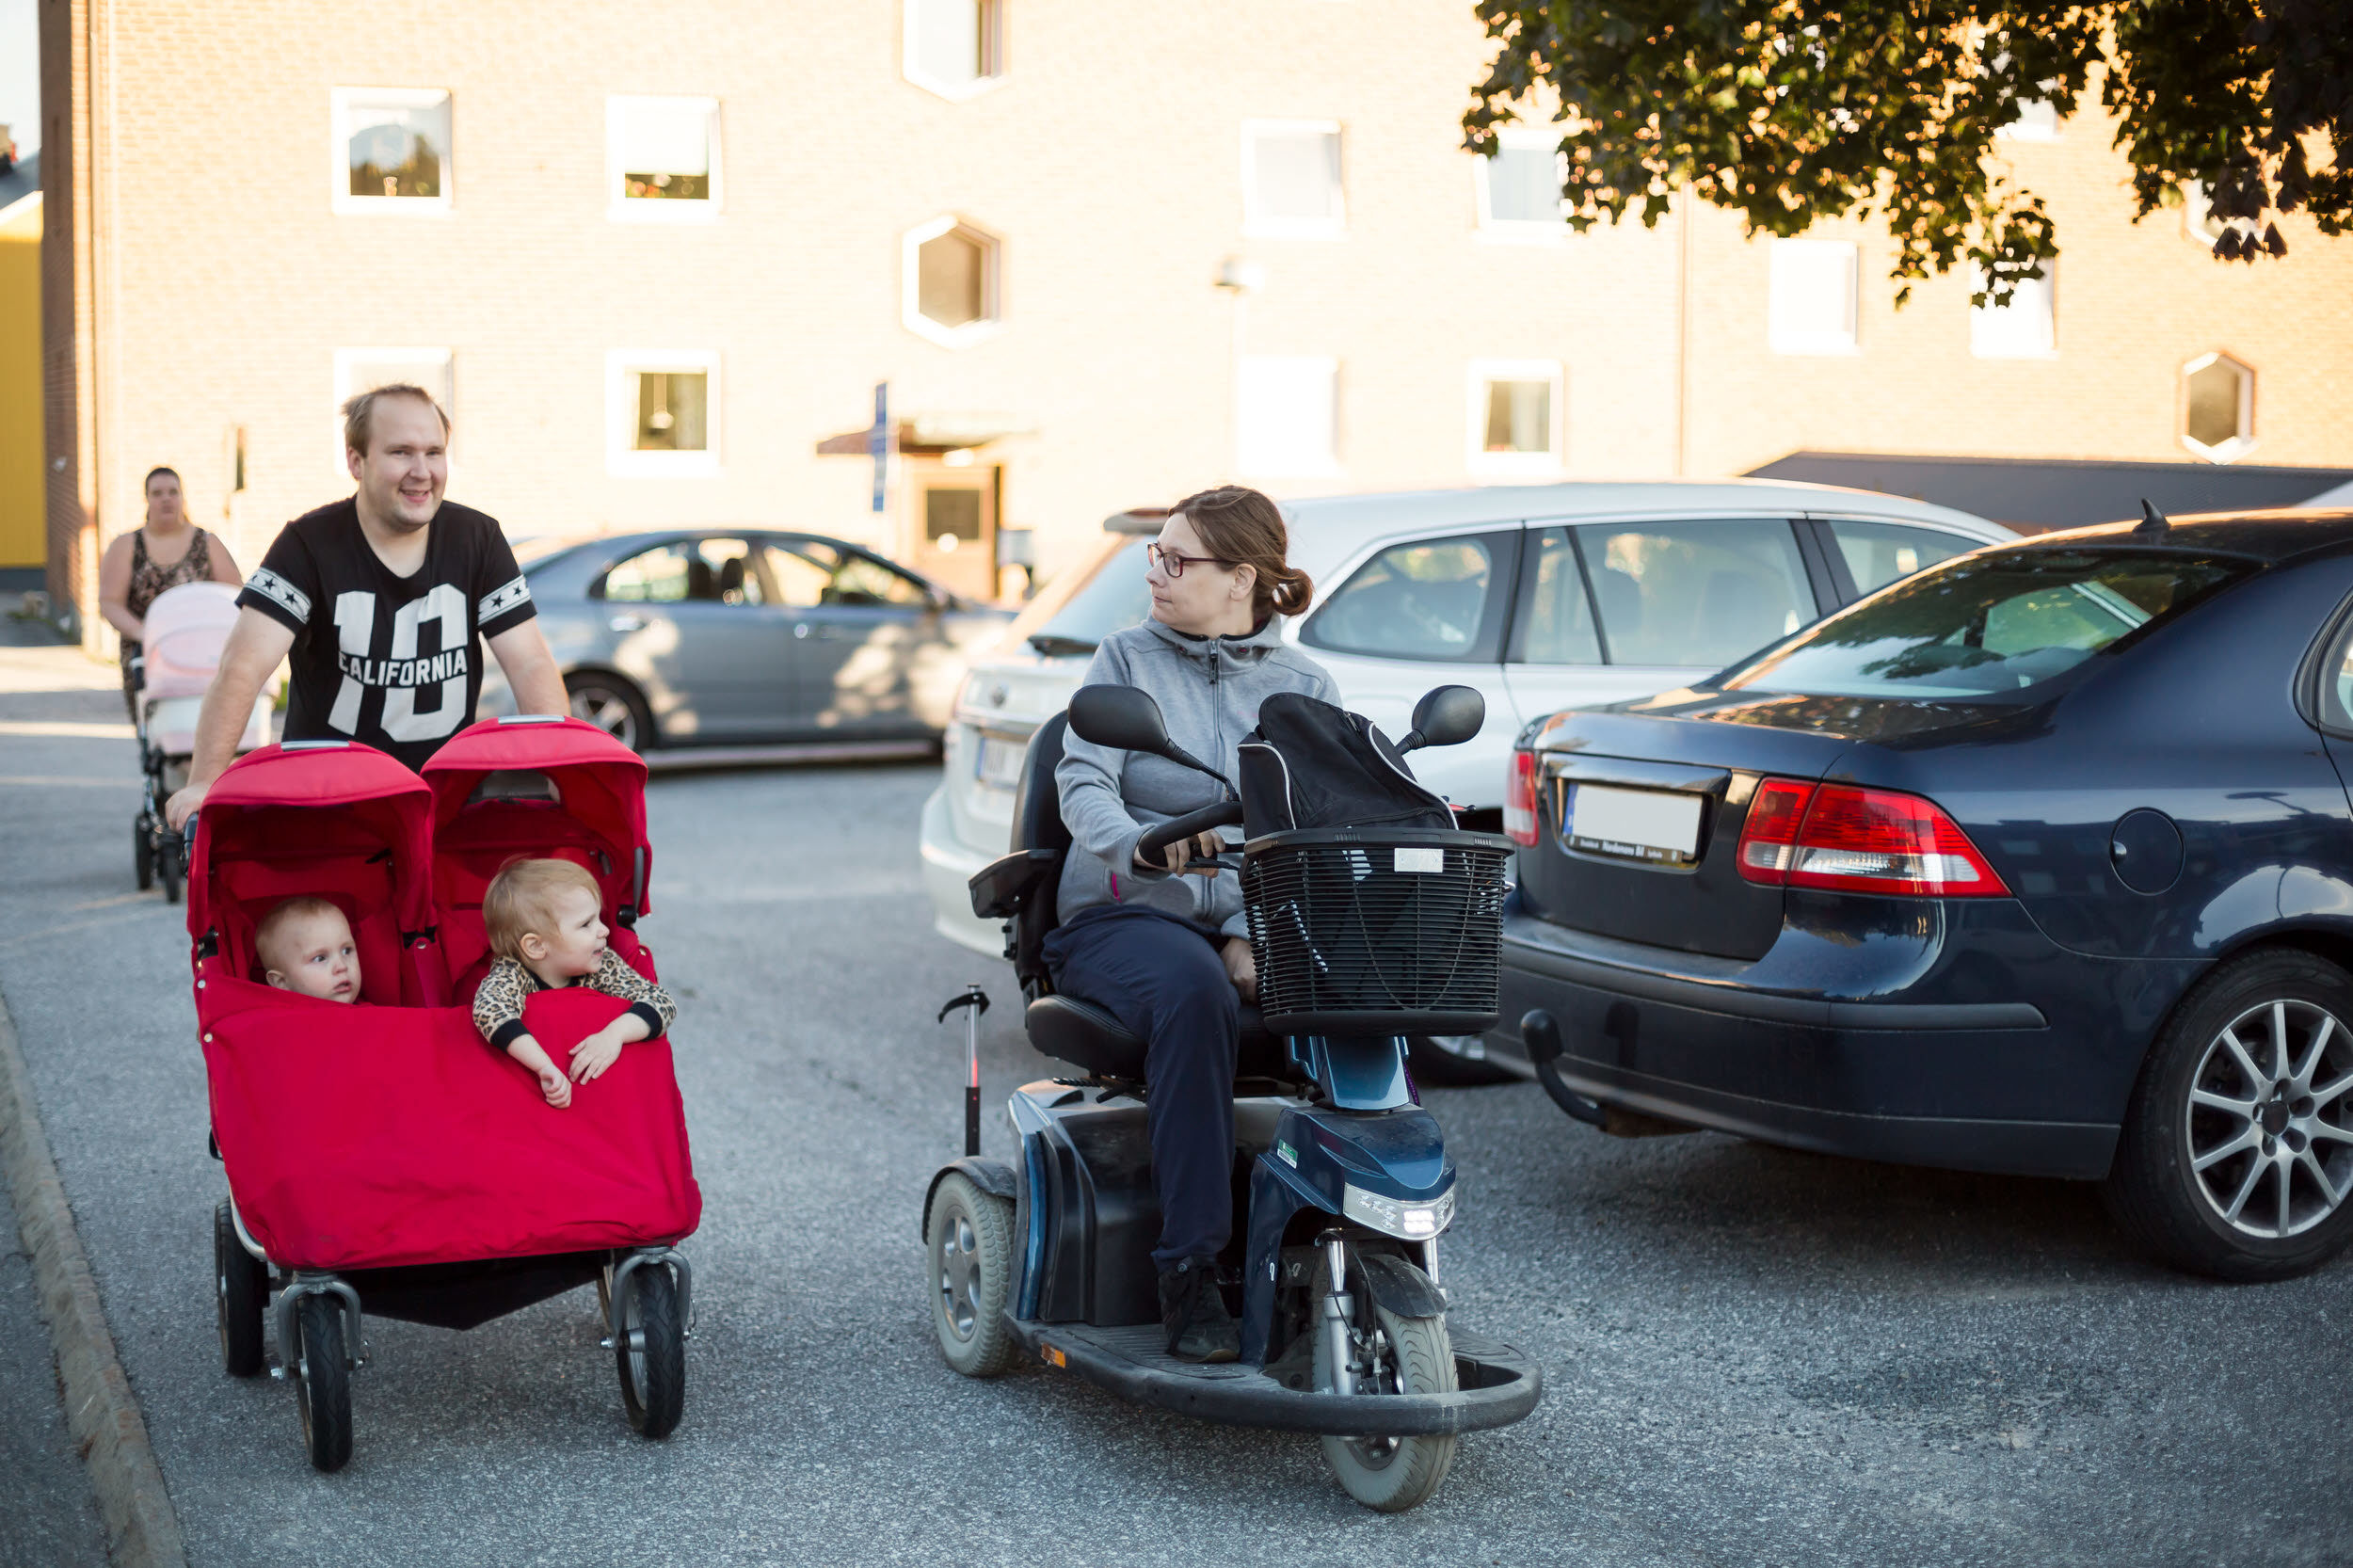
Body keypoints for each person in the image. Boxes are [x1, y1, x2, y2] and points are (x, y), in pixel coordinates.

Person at [1046, 485, 1334, 1364]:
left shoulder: (1305, 687)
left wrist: (1250, 927)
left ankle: (1356, 1234)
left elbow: (1310, 827)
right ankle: (1191, 1268)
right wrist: (1139, 845)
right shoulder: (1125, 659)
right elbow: (1082, 782)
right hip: (1123, 911)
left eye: (1177, 560)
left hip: (1249, 914)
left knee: (1359, 986)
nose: (1156, 574)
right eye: (1156, 555)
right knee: (1197, 993)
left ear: (1241, 578)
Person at [164, 385, 567, 828]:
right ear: (356, 461)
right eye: (400, 452)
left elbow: (530, 662)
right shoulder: (306, 545)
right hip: (327, 807)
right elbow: (243, 667)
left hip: (440, 805)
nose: (422, 471)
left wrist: (565, 773)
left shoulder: (479, 539)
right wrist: (205, 780)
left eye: (434, 452)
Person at [472, 857, 677, 1109]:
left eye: (599, 918)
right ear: (536, 946)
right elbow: (489, 1011)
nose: (605, 931)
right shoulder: (512, 974)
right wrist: (542, 1066)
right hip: (535, 1093)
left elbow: (661, 1002)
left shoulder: (603, 965)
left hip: (601, 1095)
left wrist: (614, 1035)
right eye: (586, 924)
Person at [97, 467, 244, 723]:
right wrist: (145, 634)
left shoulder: (207, 543)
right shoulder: (126, 546)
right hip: (148, 657)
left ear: (182, 497)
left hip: (202, 658)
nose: (166, 499)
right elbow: (110, 603)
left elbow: (234, 597)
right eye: (157, 493)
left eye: (173, 492)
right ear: (146, 499)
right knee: (158, 731)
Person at [254, 897, 362, 1003]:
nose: (342, 966)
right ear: (281, 983)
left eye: (346, 951)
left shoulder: (369, 1010)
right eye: (320, 958)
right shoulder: (278, 1016)